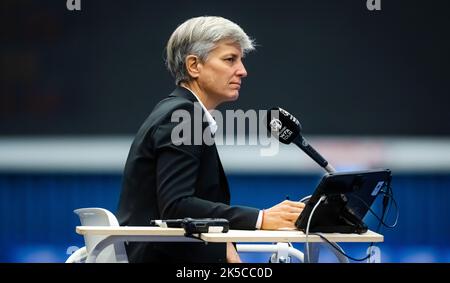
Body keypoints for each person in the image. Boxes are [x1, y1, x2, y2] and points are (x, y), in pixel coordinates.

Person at [117, 16, 305, 263]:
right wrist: (261, 218)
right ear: (194, 65)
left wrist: (225, 243)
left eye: (241, 60)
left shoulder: (182, 111)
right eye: (230, 59)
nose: (243, 71)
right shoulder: (182, 115)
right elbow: (176, 206)